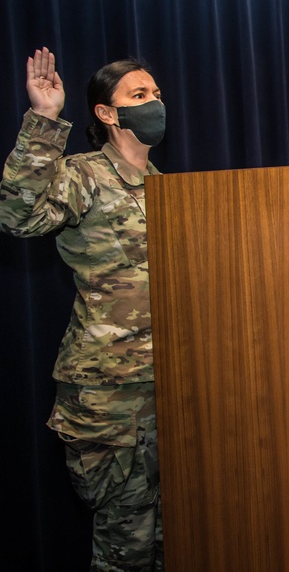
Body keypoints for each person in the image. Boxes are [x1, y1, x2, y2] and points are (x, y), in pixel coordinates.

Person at [0, 47, 166, 571]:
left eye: (156, 93)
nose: (155, 102)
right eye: (139, 95)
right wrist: (45, 120)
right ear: (107, 112)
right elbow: (19, 216)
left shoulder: (165, 186)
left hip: (168, 388)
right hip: (109, 394)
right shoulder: (83, 174)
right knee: (126, 545)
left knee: (174, 538)